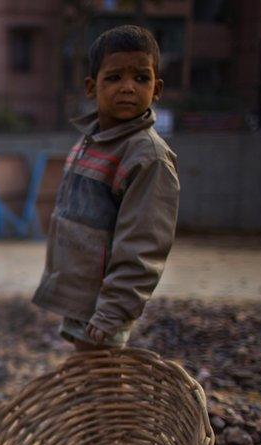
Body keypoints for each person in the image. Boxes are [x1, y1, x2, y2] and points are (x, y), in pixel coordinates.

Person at [32, 25, 180, 351]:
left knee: (104, 382)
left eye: (140, 78)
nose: (127, 88)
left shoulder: (147, 157)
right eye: (114, 78)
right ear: (91, 87)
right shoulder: (94, 141)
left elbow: (143, 244)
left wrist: (113, 311)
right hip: (82, 297)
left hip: (104, 304)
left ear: (156, 89)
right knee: (92, 380)